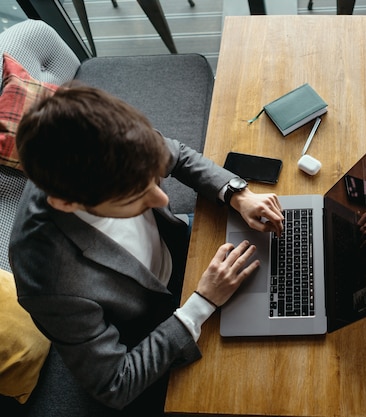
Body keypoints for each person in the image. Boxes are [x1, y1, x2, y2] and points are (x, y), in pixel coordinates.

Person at [9, 84, 284, 415]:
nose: (163, 200)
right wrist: (203, 302)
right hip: (159, 325)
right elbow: (115, 385)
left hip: (183, 249)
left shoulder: (113, 136)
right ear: (67, 203)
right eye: (135, 197)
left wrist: (238, 195)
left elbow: (177, 154)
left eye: (153, 178)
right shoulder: (49, 283)